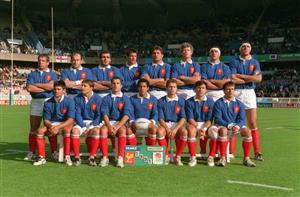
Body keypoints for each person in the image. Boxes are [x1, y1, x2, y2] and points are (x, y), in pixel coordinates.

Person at [229, 42, 263, 161]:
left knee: (252, 122)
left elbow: (258, 78)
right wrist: (249, 78)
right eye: (243, 46)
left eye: (248, 46)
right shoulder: (234, 61)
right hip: (236, 92)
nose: (246, 48)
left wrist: (240, 76)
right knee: (233, 121)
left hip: (249, 92)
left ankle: (257, 152)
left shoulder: (254, 62)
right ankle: (231, 152)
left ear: (250, 49)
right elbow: (232, 78)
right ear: (240, 49)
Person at [209, 81, 256, 167]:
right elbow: (218, 119)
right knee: (223, 131)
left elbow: (242, 119)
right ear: (224, 91)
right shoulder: (218, 103)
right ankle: (222, 158)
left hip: (235, 127)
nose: (230, 91)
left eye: (232, 89)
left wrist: (237, 126)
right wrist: (230, 126)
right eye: (228, 89)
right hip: (222, 126)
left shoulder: (240, 104)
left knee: (247, 131)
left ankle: (246, 159)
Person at [33, 81, 75, 166]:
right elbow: (46, 120)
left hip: (65, 123)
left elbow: (71, 119)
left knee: (67, 130)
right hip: (52, 123)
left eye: (59, 89)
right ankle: (41, 157)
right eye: (55, 89)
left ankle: (67, 156)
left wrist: (58, 127)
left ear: (64, 90)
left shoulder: (70, 101)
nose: (56, 91)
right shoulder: (48, 102)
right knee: (40, 131)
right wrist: (52, 127)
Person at [25, 54, 58, 160]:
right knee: (34, 128)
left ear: (48, 62)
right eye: (39, 60)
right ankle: (32, 151)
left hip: (49, 101)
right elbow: (30, 88)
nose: (41, 62)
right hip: (36, 101)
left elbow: (52, 87)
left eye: (43, 61)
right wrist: (46, 88)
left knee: (51, 127)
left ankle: (54, 151)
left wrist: (37, 85)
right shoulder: (32, 74)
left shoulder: (52, 74)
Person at [201, 46, 232, 158]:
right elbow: (204, 82)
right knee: (206, 121)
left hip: (221, 95)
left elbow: (226, 83)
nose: (214, 53)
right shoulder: (204, 66)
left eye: (216, 51)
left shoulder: (225, 67)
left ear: (219, 54)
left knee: (221, 122)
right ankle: (204, 151)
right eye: (212, 51)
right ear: (209, 54)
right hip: (207, 95)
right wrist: (219, 83)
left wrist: (211, 81)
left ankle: (222, 151)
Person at [99, 77, 133, 168]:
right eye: (113, 83)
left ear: (121, 85)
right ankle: (105, 157)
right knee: (103, 131)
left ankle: (120, 157)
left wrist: (117, 127)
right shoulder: (106, 98)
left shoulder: (125, 98)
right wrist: (109, 126)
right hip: (108, 123)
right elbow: (104, 114)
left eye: (118, 83)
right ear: (111, 85)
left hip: (120, 123)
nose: (115, 85)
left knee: (122, 131)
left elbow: (126, 115)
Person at [72, 80, 102, 166]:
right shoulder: (77, 98)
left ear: (91, 88)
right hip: (81, 122)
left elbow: (99, 115)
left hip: (94, 123)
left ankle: (92, 157)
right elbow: (77, 114)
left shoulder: (98, 98)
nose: (82, 88)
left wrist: (91, 126)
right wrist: (84, 127)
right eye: (82, 86)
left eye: (85, 86)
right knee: (74, 131)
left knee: (96, 131)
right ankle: (77, 157)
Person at [157, 79, 187, 165]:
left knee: (184, 132)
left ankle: (178, 156)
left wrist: (175, 129)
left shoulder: (181, 101)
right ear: (166, 88)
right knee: (159, 131)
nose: (172, 89)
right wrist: (167, 129)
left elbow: (183, 118)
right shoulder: (160, 101)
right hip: (165, 123)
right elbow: (160, 119)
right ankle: (166, 156)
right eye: (170, 87)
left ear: (177, 88)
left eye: (174, 87)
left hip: (177, 124)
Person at [185, 80, 214, 167]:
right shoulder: (189, 101)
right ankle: (193, 157)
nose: (200, 90)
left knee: (214, 132)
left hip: (206, 124)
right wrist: (198, 128)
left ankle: (211, 157)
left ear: (206, 90)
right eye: (198, 88)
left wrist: (204, 128)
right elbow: (190, 118)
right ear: (195, 89)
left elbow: (209, 120)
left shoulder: (210, 101)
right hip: (194, 124)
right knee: (191, 130)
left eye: (203, 88)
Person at [127, 78, 158, 146]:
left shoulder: (153, 99)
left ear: (147, 88)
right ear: (138, 88)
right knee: (128, 130)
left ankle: (150, 148)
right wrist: (132, 122)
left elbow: (155, 113)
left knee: (153, 129)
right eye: (140, 86)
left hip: (149, 124)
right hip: (135, 124)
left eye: (144, 86)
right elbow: (130, 112)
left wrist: (152, 122)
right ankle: (135, 149)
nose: (142, 88)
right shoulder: (132, 99)